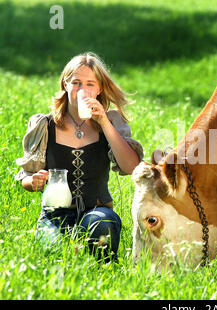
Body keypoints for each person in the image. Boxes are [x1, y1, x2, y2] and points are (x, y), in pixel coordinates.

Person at [15, 52, 143, 262]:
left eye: (90, 84)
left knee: (102, 226)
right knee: (51, 255)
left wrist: (104, 123)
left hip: (97, 210)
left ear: (100, 87)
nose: (83, 90)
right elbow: (26, 177)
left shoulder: (111, 122)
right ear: (65, 84)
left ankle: (103, 272)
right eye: (76, 82)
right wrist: (34, 181)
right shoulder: (45, 125)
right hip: (55, 214)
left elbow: (130, 167)